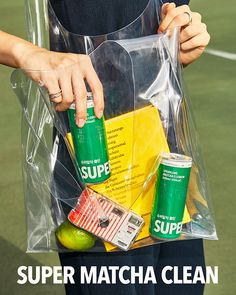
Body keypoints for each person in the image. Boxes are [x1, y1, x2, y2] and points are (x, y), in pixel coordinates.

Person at [0, 1, 210, 294]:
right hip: (95, 170)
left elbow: (167, 29)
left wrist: (186, 31)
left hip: (165, 167)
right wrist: (29, 53)